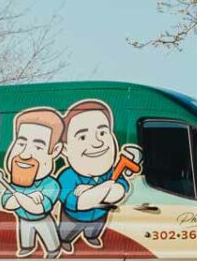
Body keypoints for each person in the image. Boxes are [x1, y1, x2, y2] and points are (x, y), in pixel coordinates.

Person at [55, 99, 140, 252]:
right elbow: (78, 203)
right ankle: (65, 241)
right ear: (65, 150)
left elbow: (120, 190)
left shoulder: (110, 172)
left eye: (102, 133)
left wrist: (95, 189)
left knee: (94, 230)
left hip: (100, 214)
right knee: (66, 232)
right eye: (82, 137)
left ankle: (91, 237)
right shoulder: (67, 177)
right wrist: (105, 188)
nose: (97, 143)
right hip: (74, 218)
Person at [0, 107, 65, 258]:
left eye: (38, 146)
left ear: (56, 150)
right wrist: (27, 196)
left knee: (50, 239)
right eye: (21, 144)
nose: (25, 154)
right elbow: (8, 204)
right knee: (26, 239)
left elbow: (38, 208)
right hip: (23, 219)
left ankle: (53, 251)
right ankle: (27, 247)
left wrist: (22, 197)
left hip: (42, 220)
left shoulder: (51, 185)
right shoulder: (14, 183)